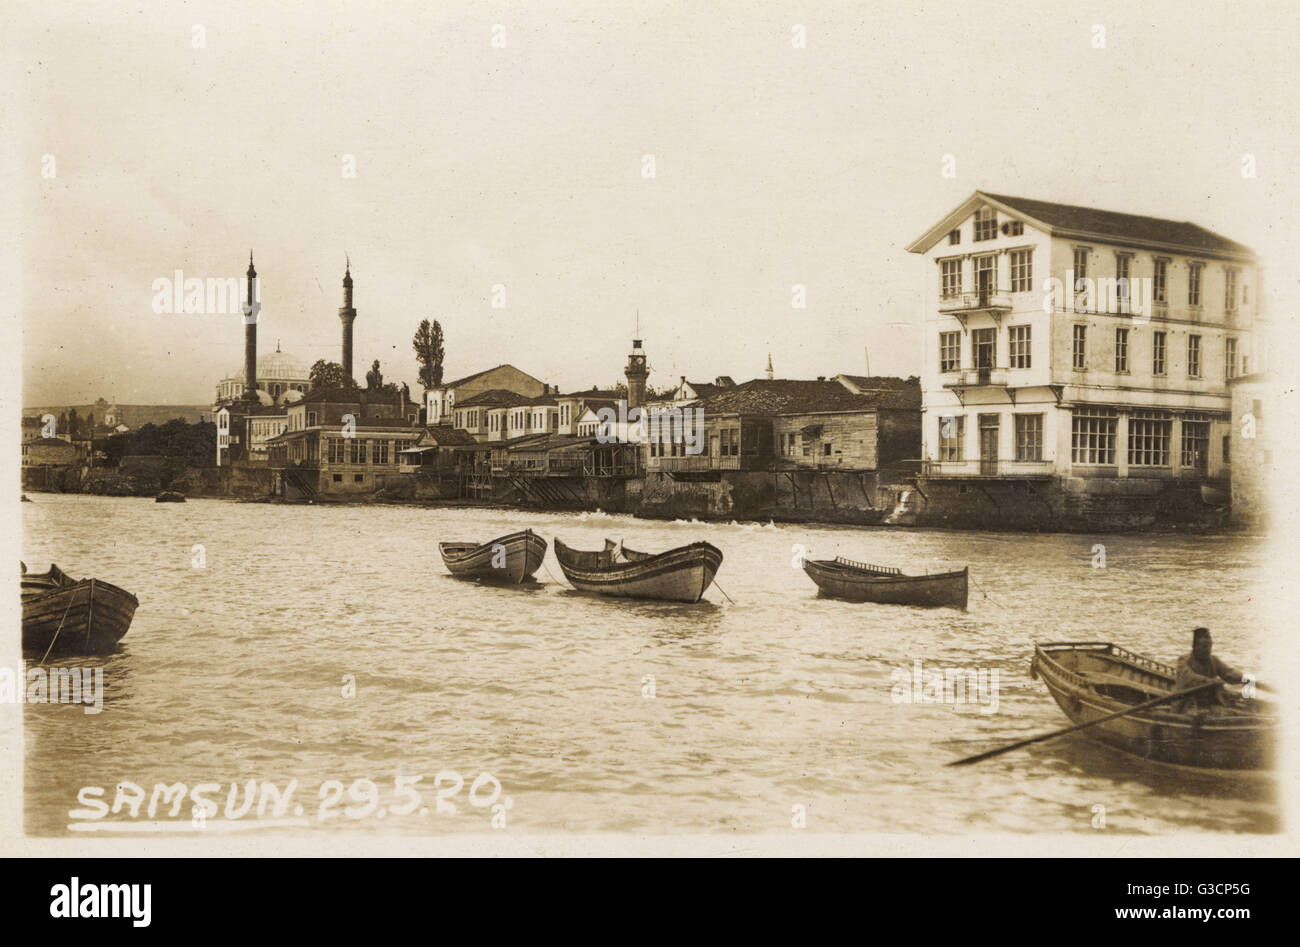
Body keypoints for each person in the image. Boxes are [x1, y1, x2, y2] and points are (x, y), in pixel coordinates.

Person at [1173, 627, 1253, 712]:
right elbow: (1189, 677)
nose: (1208, 651)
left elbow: (1228, 672)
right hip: (1188, 704)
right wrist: (1208, 681)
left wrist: (1244, 678)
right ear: (1194, 646)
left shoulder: (1213, 660)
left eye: (1210, 647)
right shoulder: (1183, 661)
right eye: (1204, 647)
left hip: (1209, 704)